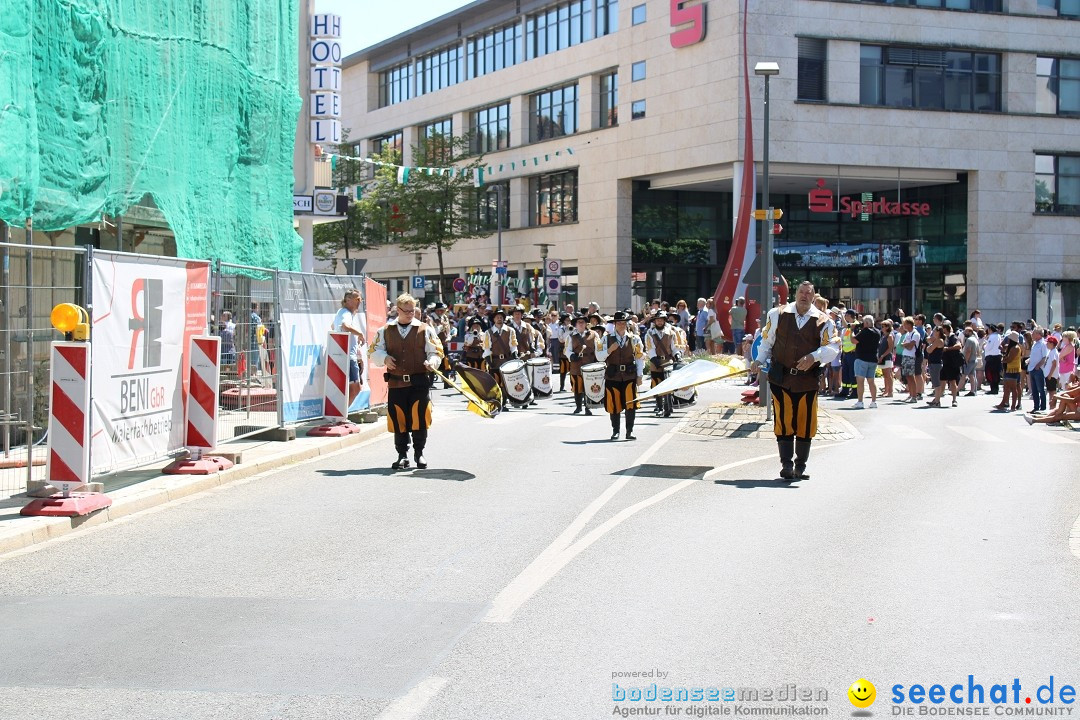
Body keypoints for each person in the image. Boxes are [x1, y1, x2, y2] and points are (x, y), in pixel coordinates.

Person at [752, 280, 839, 481]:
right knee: (783, 420)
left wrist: (814, 356)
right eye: (802, 292)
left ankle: (800, 465)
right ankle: (786, 464)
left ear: (813, 296)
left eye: (809, 293)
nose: (804, 296)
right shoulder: (777, 314)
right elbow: (767, 341)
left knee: (805, 422)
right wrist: (758, 360)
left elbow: (833, 348)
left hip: (807, 380)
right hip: (781, 377)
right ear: (796, 293)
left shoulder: (824, 320)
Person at [369, 293, 443, 470]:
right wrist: (384, 358)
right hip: (396, 383)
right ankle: (402, 455)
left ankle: (419, 453)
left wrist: (432, 362)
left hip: (419, 382)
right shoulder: (385, 330)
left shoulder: (425, 329)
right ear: (398, 310)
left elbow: (436, 351)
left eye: (413, 310)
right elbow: (373, 351)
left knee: (419, 418)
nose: (411, 314)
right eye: (407, 311)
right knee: (398, 419)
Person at [595, 311, 645, 440]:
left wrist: (639, 375)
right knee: (614, 404)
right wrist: (610, 350)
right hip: (613, 375)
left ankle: (629, 431)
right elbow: (599, 357)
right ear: (615, 324)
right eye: (619, 323)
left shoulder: (634, 338)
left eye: (624, 323)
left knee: (630, 404)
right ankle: (615, 431)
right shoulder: (606, 338)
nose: (622, 325)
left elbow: (639, 358)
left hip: (629, 375)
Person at [332, 288, 367, 409]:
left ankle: (341, 414)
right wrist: (360, 334)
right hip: (347, 355)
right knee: (356, 388)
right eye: (357, 299)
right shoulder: (345, 313)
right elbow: (345, 326)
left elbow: (333, 326)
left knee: (350, 387)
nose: (360, 302)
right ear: (348, 300)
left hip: (344, 353)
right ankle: (342, 413)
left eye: (361, 299)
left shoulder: (341, 312)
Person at [483, 308, 519, 412]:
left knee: (506, 383)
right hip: (494, 361)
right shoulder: (488, 332)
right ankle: (496, 403)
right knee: (495, 384)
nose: (499, 318)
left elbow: (513, 346)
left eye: (501, 317)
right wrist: (489, 362)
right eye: (497, 317)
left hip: (507, 361)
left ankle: (504, 403)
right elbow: (486, 348)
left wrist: (515, 355)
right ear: (494, 319)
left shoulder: (510, 331)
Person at [645, 311, 678, 417]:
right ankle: (659, 407)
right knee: (657, 385)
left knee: (668, 384)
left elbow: (673, 346)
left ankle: (669, 405)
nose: (659, 322)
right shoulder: (650, 333)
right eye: (657, 320)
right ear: (654, 321)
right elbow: (650, 347)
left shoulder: (671, 332)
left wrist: (677, 354)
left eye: (661, 320)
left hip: (668, 361)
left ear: (664, 321)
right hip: (656, 362)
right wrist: (653, 358)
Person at [565, 314, 599, 415]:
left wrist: (598, 360)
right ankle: (578, 406)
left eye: (582, 322)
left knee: (588, 387)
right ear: (575, 324)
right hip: (576, 364)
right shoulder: (570, 336)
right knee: (577, 387)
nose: (581, 324)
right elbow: (567, 350)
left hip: (590, 363)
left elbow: (598, 347)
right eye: (579, 322)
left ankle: (588, 407)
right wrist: (571, 356)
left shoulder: (593, 334)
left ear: (585, 324)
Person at [851, 314, 881, 409]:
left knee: (860, 381)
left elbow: (853, 340)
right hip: (872, 359)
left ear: (867, 323)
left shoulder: (865, 331)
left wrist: (851, 331)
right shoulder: (877, 332)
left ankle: (860, 402)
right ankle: (873, 401)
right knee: (871, 381)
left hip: (862, 358)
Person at [994, 331, 1022, 412]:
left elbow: (1010, 359)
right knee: (1006, 387)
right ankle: (1003, 403)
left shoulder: (1015, 348)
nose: (1008, 340)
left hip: (1013, 370)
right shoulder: (1011, 347)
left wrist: (1003, 359)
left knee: (1013, 388)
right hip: (1009, 369)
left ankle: (1013, 405)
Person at [876, 319, 896, 399]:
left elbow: (890, 348)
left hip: (887, 357)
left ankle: (890, 391)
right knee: (885, 375)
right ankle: (886, 390)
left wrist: (883, 355)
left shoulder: (890, 336)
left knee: (888, 375)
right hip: (882, 357)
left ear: (888, 327)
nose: (882, 328)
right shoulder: (883, 336)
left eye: (883, 326)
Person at [984, 324, 1002, 394]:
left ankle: (993, 388)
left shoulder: (992, 337)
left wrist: (984, 346)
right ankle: (995, 388)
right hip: (997, 356)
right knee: (996, 373)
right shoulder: (998, 336)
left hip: (991, 357)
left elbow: (988, 347)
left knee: (990, 373)